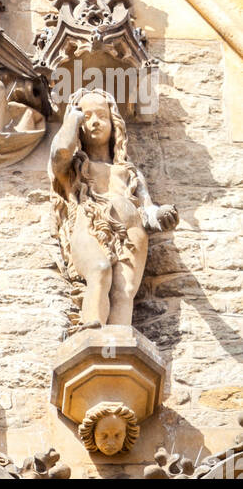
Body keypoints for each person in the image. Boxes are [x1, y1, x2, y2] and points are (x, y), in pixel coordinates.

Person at [50, 89, 178, 328]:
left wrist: (160, 216)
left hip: (131, 231)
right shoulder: (73, 168)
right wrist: (72, 118)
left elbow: (146, 208)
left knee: (124, 292)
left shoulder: (130, 172)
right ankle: (94, 338)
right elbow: (61, 152)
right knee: (99, 269)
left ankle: (118, 348)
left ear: (114, 123)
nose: (95, 122)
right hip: (89, 221)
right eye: (87, 117)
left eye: (101, 115)